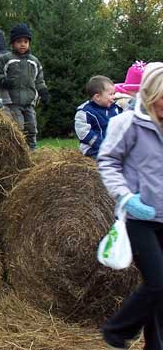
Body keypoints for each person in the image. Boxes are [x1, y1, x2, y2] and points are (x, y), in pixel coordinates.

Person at [97, 62, 163, 350]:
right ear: (150, 93)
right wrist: (125, 197)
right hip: (138, 217)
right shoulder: (127, 123)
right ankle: (117, 330)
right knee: (159, 283)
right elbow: (108, 161)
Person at [0, 24, 49, 150]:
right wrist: (3, 81)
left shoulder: (34, 61)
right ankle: (19, 153)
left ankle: (32, 152)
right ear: (12, 43)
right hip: (12, 102)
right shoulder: (6, 59)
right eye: (19, 41)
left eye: (26, 41)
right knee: (19, 128)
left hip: (29, 102)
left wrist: (43, 92)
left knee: (32, 128)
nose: (22, 44)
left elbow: (39, 79)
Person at [74, 75, 122, 159]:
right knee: (106, 161)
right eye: (111, 94)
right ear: (97, 97)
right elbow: (84, 133)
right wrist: (102, 144)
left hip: (112, 147)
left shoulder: (116, 109)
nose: (114, 97)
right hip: (93, 149)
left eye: (114, 94)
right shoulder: (85, 112)